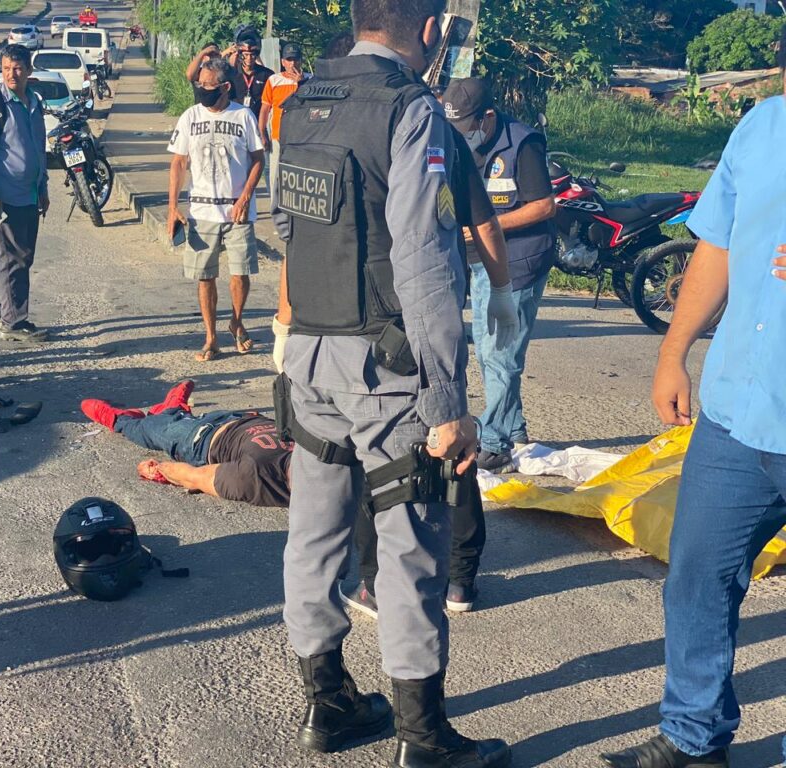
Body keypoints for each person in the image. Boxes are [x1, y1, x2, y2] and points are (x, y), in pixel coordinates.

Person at [276, 1, 515, 765]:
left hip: (310, 357)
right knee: (411, 548)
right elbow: (424, 257)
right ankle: (422, 736)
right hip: (387, 369)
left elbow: (289, 229)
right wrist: (449, 401)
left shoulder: (302, 100)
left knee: (314, 535)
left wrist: (293, 336)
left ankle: (327, 705)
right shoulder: (412, 110)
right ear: (432, 30)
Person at [599, 31, 786, 768]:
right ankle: (693, 738)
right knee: (697, 579)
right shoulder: (763, 125)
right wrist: (672, 352)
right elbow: (717, 246)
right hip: (738, 414)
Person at [442, 77, 557, 473]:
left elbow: (544, 206)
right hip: (477, 258)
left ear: (488, 116)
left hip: (519, 260)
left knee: (499, 353)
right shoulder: (455, 141)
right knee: (490, 351)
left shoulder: (523, 143)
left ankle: (495, 444)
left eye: (468, 126)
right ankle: (514, 427)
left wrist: (485, 226)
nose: (463, 135)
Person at [166, 57, 264, 363]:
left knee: (240, 273)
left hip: (237, 211)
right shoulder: (190, 116)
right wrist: (172, 206)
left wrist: (245, 197)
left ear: (225, 87)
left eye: (208, 85)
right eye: (200, 84)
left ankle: (236, 321)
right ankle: (210, 337)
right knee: (205, 276)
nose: (202, 90)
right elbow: (178, 162)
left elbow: (258, 159)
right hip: (202, 212)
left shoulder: (243, 116)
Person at [80, 381, 292, 508]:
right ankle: (173, 409)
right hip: (244, 417)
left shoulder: (254, 477)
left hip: (201, 439)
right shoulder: (313, 452)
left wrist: (160, 470)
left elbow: (193, 476)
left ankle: (119, 419)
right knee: (172, 420)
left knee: (148, 429)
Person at [0, 44, 50, 342]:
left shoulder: (34, 102)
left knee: (24, 257)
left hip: (29, 195)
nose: (11, 74)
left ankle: (8, 310)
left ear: (29, 70)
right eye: (5, 69)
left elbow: (38, 149)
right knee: (9, 258)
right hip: (4, 197)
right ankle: (13, 323)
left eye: (17, 68)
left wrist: (43, 187)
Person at [259, 42, 308, 203]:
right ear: (283, 62)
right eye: (289, 60)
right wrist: (262, 133)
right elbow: (265, 109)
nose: (292, 64)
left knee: (300, 173)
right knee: (275, 174)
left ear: (301, 61)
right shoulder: (274, 80)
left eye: (296, 59)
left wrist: (301, 84)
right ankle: (276, 206)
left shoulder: (310, 79)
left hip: (302, 137)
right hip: (278, 135)